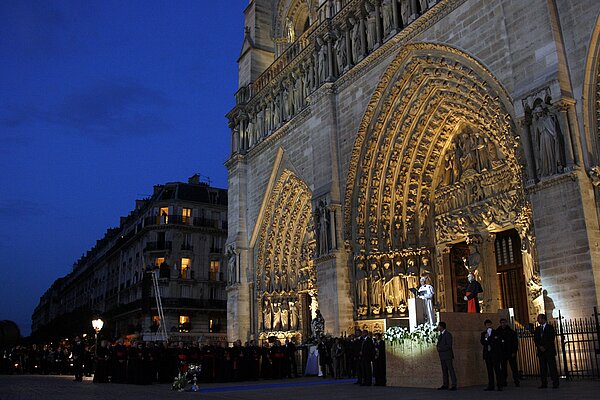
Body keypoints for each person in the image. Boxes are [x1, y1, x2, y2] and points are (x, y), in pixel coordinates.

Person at [533, 313, 559, 389]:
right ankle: (544, 383)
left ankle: (555, 382)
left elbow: (551, 339)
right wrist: (539, 346)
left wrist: (545, 347)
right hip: (541, 352)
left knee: (552, 367)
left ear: (543, 319)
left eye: (539, 318)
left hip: (549, 351)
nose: (537, 320)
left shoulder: (550, 328)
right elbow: (536, 339)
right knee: (543, 368)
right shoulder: (537, 329)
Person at [481, 319, 503, 391]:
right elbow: (483, 342)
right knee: (489, 370)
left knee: (497, 370)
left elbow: (497, 342)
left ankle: (499, 385)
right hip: (488, 354)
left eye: (489, 324)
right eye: (487, 325)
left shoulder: (496, 332)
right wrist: (487, 338)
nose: (488, 326)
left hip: (495, 354)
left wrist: (490, 339)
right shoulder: (484, 334)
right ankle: (491, 385)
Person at [497, 318, 519, 387]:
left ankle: (516, 381)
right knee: (503, 368)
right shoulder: (498, 332)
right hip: (502, 353)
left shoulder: (511, 332)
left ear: (506, 323)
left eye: (504, 323)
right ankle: (503, 381)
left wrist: (514, 351)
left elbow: (515, 343)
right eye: (502, 323)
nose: (503, 324)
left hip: (510, 352)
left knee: (514, 368)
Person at [436, 321, 457, 390]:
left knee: (450, 370)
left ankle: (454, 385)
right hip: (442, 356)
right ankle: (445, 384)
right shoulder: (440, 335)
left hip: (447, 355)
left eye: (438, 326)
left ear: (441, 327)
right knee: (444, 370)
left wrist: (440, 348)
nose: (438, 327)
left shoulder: (448, 334)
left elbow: (449, 345)